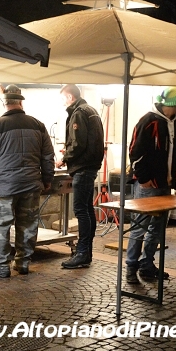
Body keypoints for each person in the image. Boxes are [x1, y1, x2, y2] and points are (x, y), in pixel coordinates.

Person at [0, 84, 55, 278]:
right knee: (27, 225)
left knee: (1, 227)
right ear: (20, 101)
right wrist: (47, 179)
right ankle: (23, 263)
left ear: (5, 103)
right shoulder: (38, 125)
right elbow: (48, 157)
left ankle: (1, 266)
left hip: (6, 187)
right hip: (30, 185)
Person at [126, 86, 176, 284]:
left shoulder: (175, 123)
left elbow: (175, 147)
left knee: (157, 227)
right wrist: (144, 178)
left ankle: (147, 265)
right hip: (148, 185)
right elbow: (134, 152)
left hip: (166, 184)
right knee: (140, 227)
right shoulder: (148, 121)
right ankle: (131, 266)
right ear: (175, 102)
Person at [56, 84, 105, 269]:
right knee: (87, 209)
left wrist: (64, 158)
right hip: (90, 166)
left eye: (63, 99)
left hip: (83, 167)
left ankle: (83, 252)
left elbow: (78, 143)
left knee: (81, 210)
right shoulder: (91, 110)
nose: (63, 103)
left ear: (70, 97)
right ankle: (85, 252)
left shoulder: (78, 112)